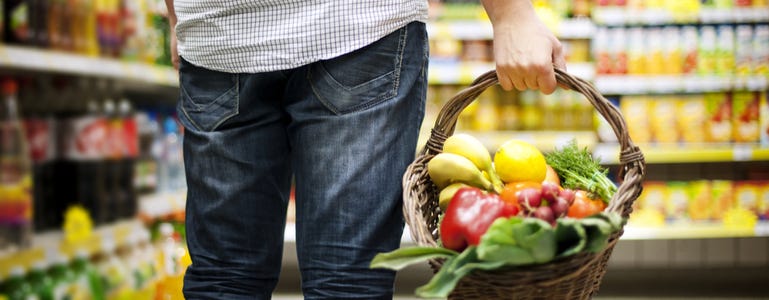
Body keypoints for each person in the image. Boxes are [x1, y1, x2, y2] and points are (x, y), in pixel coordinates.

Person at [164, 0, 565, 299]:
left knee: (224, 278)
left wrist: (177, 14)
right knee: (346, 279)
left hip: (216, 33)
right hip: (356, 27)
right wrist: (510, 12)